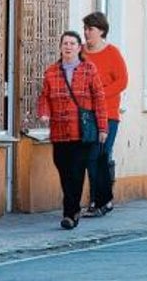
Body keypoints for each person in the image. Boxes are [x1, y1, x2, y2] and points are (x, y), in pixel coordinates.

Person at [36, 31, 108, 229]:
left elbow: (99, 99)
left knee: (76, 172)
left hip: (81, 132)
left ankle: (70, 213)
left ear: (79, 48)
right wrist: (44, 112)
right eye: (65, 43)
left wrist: (103, 127)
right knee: (63, 170)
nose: (68, 46)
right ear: (60, 47)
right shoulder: (51, 71)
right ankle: (73, 207)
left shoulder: (88, 69)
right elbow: (44, 96)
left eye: (72, 43)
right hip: (59, 132)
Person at [80, 11, 128, 217]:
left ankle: (100, 201)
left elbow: (122, 81)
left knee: (101, 154)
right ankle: (100, 199)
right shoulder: (80, 53)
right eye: (85, 29)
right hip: (85, 114)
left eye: (90, 29)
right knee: (91, 157)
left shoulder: (112, 53)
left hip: (108, 114)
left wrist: (100, 94)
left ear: (101, 31)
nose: (86, 33)